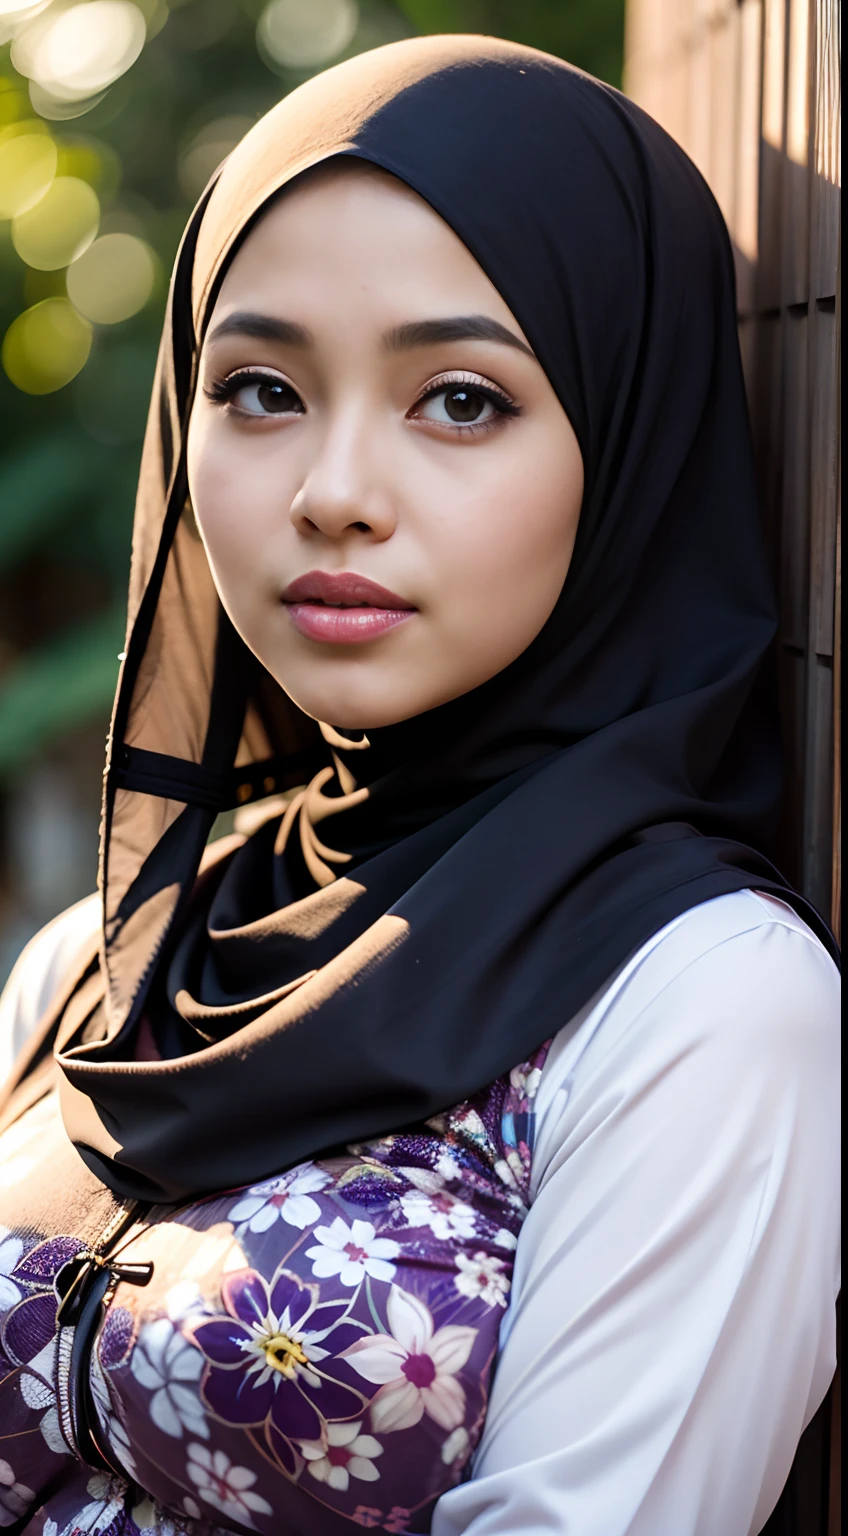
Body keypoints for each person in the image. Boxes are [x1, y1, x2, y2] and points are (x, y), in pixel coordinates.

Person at [0, 34, 840, 1536]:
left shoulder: (696, 1007)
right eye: (258, 388)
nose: (333, 488)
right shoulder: (108, 955)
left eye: (459, 399)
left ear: (633, 441)